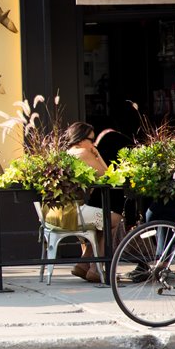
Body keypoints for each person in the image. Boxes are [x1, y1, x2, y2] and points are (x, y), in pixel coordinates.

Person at [61, 121, 123, 284]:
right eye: (91, 140)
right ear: (80, 139)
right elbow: (109, 176)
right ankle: (96, 269)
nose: (94, 143)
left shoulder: (67, 153)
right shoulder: (82, 152)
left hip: (62, 212)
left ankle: (83, 265)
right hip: (73, 213)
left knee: (102, 221)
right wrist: (98, 154)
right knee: (113, 220)